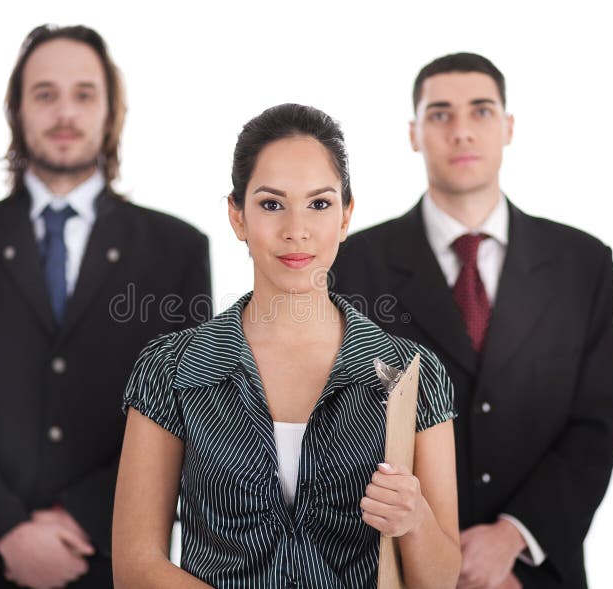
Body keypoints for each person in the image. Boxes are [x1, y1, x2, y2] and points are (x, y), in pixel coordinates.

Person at [0, 24, 211, 589]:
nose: (64, 112)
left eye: (84, 94)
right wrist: (6, 531)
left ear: (111, 111)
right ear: (17, 111)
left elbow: (187, 412)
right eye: (45, 94)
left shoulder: (177, 251)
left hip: (112, 556)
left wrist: (84, 518)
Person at [112, 103, 461, 588]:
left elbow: (442, 581)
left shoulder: (410, 374)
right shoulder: (170, 369)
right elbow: (135, 566)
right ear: (237, 217)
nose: (296, 229)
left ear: (345, 216)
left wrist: (414, 520)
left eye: (319, 204)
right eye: (271, 204)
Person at [331, 53, 613, 589]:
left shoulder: (582, 264)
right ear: (413, 133)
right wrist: (428, 551)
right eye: (440, 114)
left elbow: (598, 421)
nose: (462, 131)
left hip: (536, 571)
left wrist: (513, 538)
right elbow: (330, 429)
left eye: (482, 111)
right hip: (391, 569)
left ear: (508, 126)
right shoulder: (351, 265)